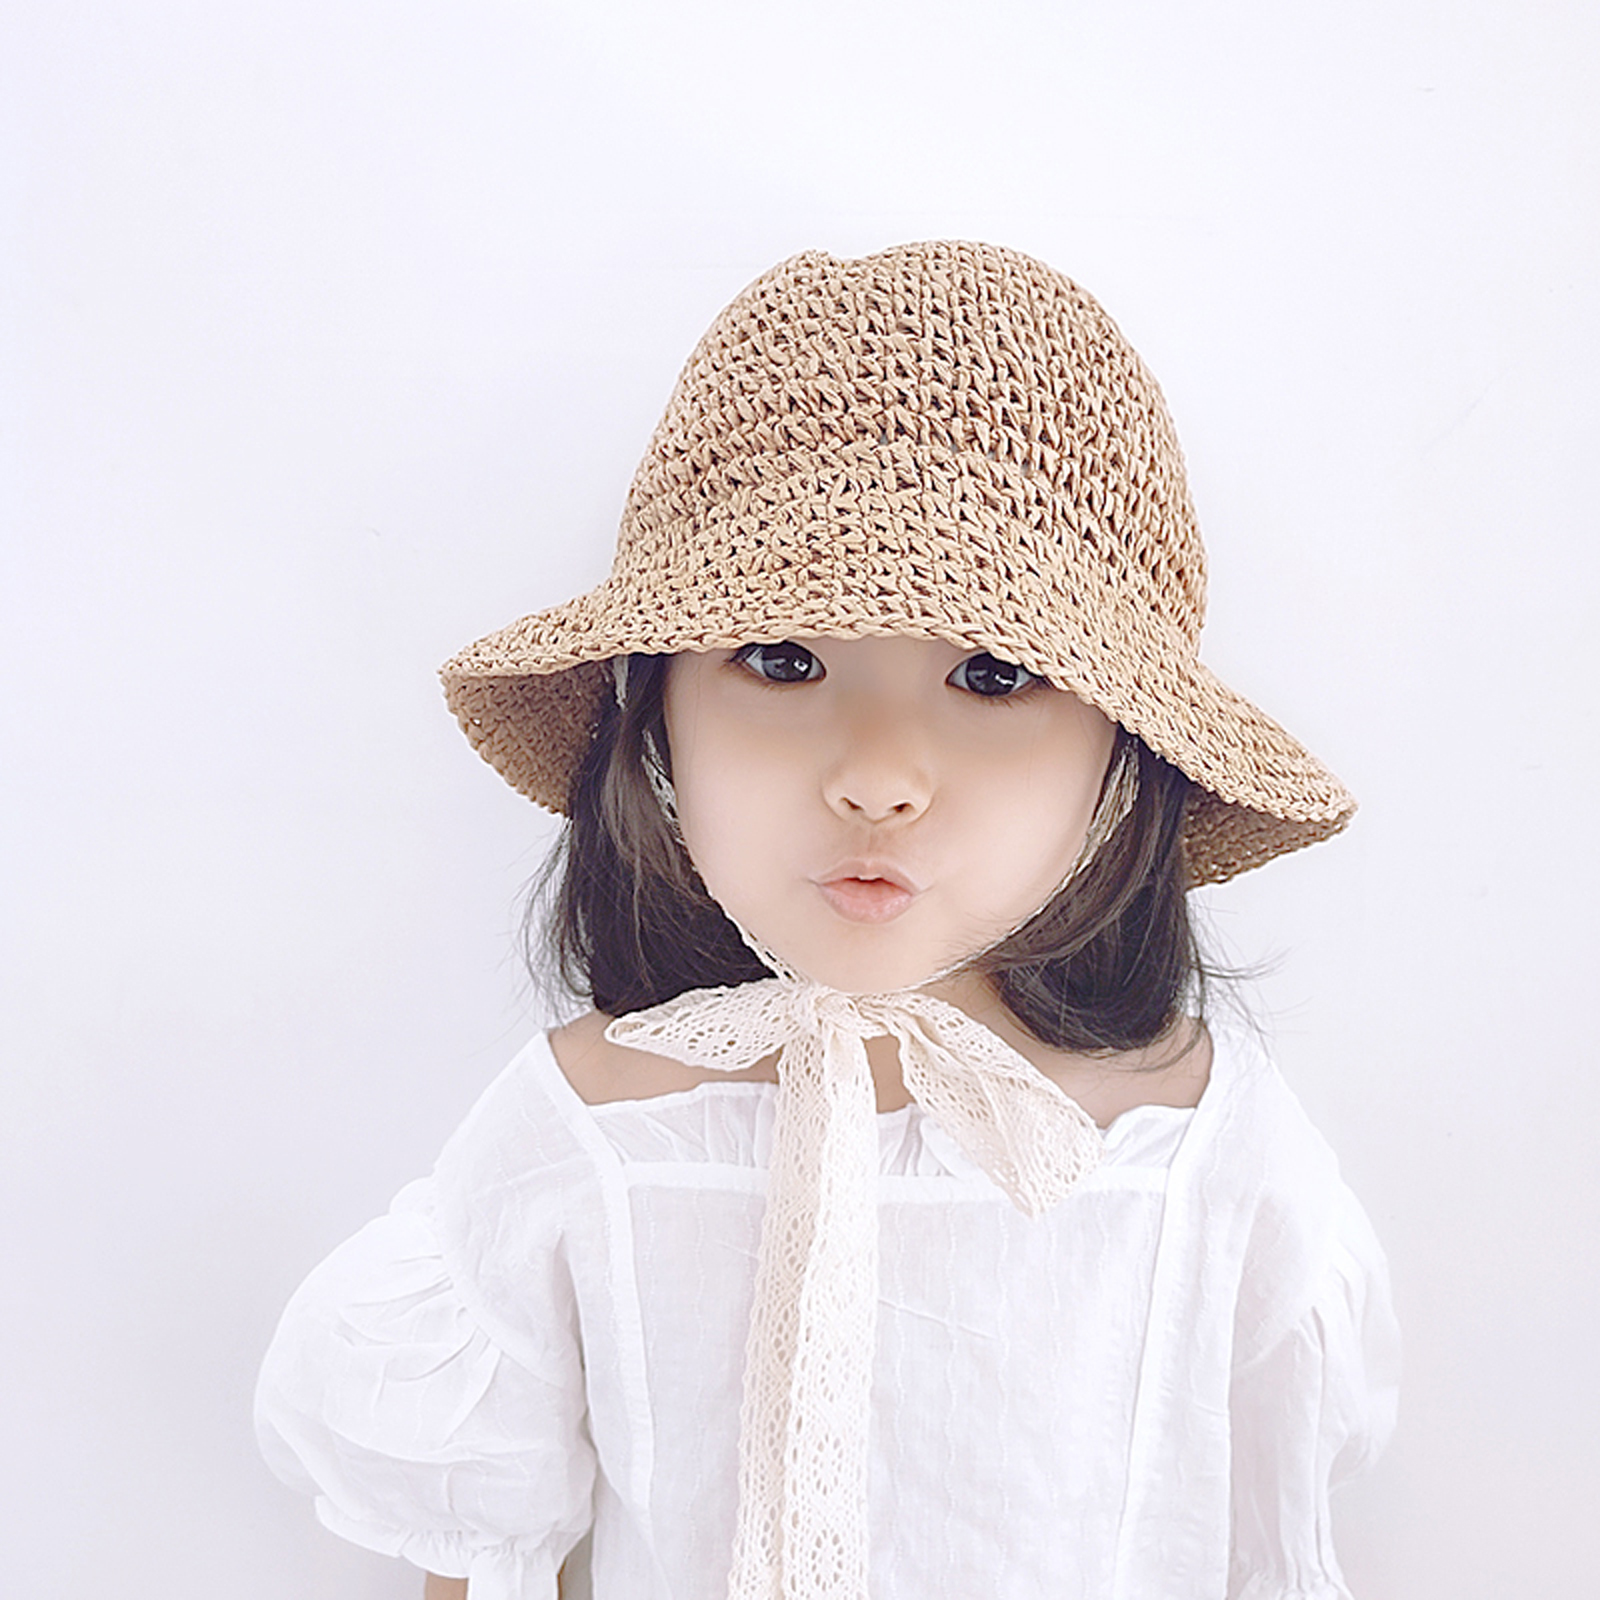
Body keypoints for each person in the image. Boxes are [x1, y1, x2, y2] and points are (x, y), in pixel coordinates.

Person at [255, 241, 1399, 1600]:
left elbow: (1265, 1557)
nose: (877, 775)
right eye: (783, 658)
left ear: (1127, 750)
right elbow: (484, 1558)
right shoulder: (583, 1139)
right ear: (657, 713)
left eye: (995, 674)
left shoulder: (1206, 1157)